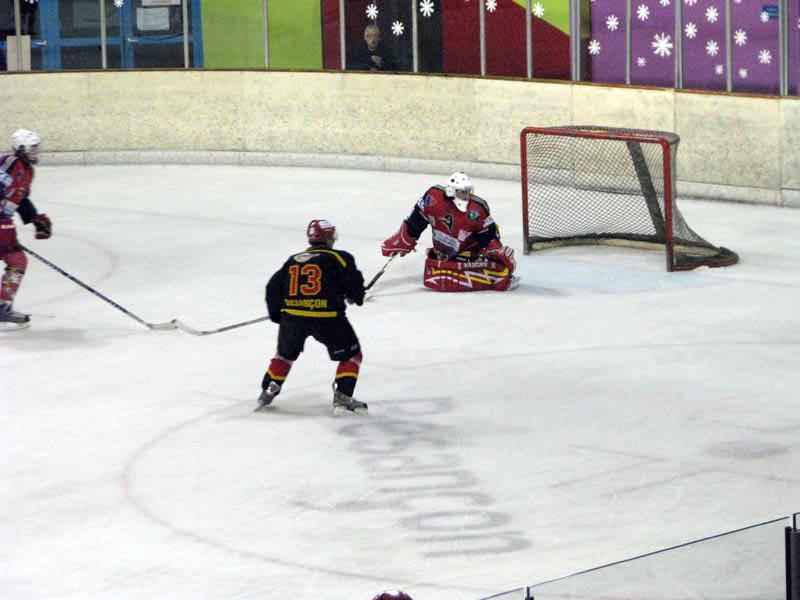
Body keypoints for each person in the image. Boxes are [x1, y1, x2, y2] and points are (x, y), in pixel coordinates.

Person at [258, 219, 368, 414]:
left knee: (284, 356)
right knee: (352, 355)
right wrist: (356, 296)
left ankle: (270, 387)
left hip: (292, 319)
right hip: (327, 318)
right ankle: (343, 394)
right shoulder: (339, 257)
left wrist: (277, 314)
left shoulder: (293, 259)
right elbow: (353, 283)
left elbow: (273, 287)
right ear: (329, 238)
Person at [381, 171, 517, 292]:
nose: (466, 195)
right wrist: (405, 236)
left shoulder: (476, 210)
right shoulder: (432, 198)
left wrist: (495, 250)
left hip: (468, 256)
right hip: (441, 254)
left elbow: (489, 236)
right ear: (451, 191)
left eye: (468, 191)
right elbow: (416, 220)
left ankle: (490, 273)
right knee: (437, 272)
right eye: (462, 192)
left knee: (500, 272)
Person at [0, 129, 51, 326]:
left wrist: (35, 220)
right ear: (21, 148)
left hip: (3, 222)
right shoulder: (10, 163)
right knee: (16, 259)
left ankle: (3, 307)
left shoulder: (27, 170)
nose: (36, 151)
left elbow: (21, 200)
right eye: (33, 148)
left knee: (17, 260)